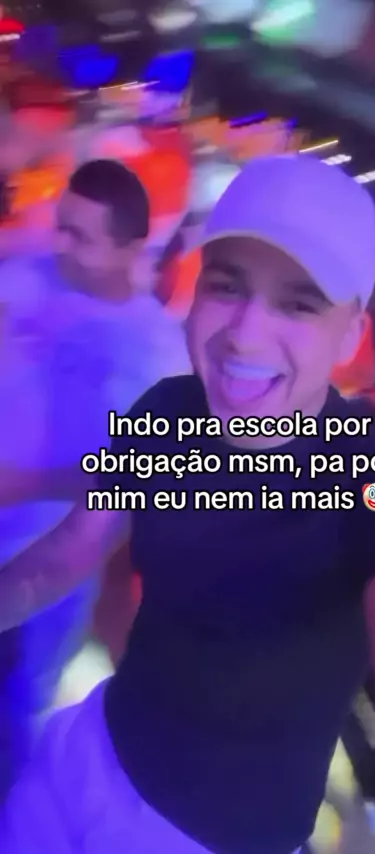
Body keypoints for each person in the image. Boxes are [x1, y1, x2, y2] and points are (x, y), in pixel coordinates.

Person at [0, 155, 375, 854]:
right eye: (227, 286)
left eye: (298, 303)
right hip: (83, 759)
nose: (246, 333)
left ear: (350, 333)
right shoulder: (169, 410)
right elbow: (70, 549)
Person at [0, 159, 191, 797]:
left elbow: (132, 484)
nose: (60, 243)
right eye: (61, 225)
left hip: (48, 568)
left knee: (16, 713)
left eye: (80, 235)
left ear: (129, 249)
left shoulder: (157, 354)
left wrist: (27, 483)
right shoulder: (23, 275)